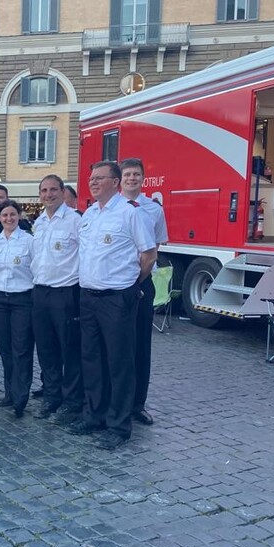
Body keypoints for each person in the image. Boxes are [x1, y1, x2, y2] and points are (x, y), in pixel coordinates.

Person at [68, 161, 156, 450]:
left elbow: (149, 255)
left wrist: (132, 285)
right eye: (91, 178)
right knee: (91, 360)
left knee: (119, 362)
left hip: (116, 299)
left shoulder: (129, 214)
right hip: (88, 297)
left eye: (99, 178)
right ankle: (94, 415)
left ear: (116, 182)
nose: (92, 182)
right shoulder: (90, 214)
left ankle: (119, 426)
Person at [31, 175, 84, 423]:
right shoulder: (38, 222)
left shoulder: (75, 221)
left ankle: (72, 402)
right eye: (44, 190)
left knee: (69, 350)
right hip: (40, 292)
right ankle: (52, 397)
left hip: (66, 293)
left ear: (63, 192)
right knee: (46, 350)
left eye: (53, 190)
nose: (48, 194)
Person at [121, 157, 169, 425]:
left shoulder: (153, 209)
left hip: (140, 282)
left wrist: (139, 279)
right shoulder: (110, 207)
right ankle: (115, 401)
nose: (131, 178)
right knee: (117, 346)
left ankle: (137, 404)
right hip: (116, 285)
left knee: (141, 345)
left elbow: (155, 247)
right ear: (120, 178)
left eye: (136, 174)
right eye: (127, 174)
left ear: (143, 178)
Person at [0, 200, 35, 418]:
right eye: (4, 215)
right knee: (5, 349)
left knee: (21, 349)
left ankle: (21, 397)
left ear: (19, 215)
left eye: (12, 214)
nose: (8, 218)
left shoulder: (29, 241)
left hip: (22, 300)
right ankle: (9, 393)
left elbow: (36, 269)